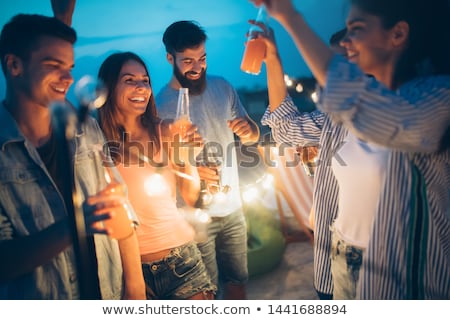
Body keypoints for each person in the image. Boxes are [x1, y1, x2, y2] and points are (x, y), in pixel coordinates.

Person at [252, 0, 450, 299]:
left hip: (403, 272)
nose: (346, 42)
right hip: (342, 254)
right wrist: (274, 60)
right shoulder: (338, 119)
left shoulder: (437, 98)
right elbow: (286, 129)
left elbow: (390, 118)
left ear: (398, 34)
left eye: (356, 30)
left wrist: (291, 17)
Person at [0, 14, 146, 299]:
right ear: (14, 65)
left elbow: (121, 208)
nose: (68, 78)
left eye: (69, 67)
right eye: (53, 66)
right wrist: (78, 224)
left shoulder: (85, 128)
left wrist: (136, 288)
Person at [96, 51, 216, 299]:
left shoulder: (165, 130)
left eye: (145, 81)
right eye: (129, 80)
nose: (141, 87)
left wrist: (188, 159)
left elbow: (192, 197)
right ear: (107, 87)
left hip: (181, 262)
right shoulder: (95, 142)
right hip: (125, 269)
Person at [155, 20, 260, 299]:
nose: (197, 67)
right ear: (170, 58)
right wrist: (190, 170)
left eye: (202, 58)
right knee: (205, 293)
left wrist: (249, 131)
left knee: (238, 283)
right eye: (187, 61)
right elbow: (157, 167)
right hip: (194, 217)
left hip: (234, 209)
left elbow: (252, 134)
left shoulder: (223, 87)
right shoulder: (160, 104)